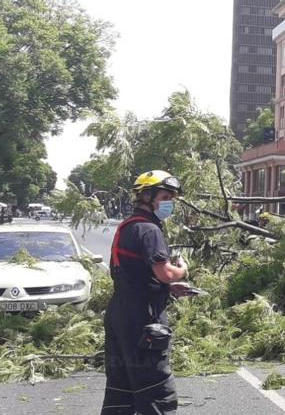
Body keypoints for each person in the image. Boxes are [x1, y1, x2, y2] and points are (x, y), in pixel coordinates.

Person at [101, 170, 194, 414]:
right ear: (147, 197)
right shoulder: (149, 230)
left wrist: (168, 288)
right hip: (144, 318)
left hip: (119, 316)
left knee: (121, 389)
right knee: (156, 389)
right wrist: (181, 270)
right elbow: (166, 272)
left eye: (171, 198)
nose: (169, 203)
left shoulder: (127, 226)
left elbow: (135, 272)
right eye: (165, 197)